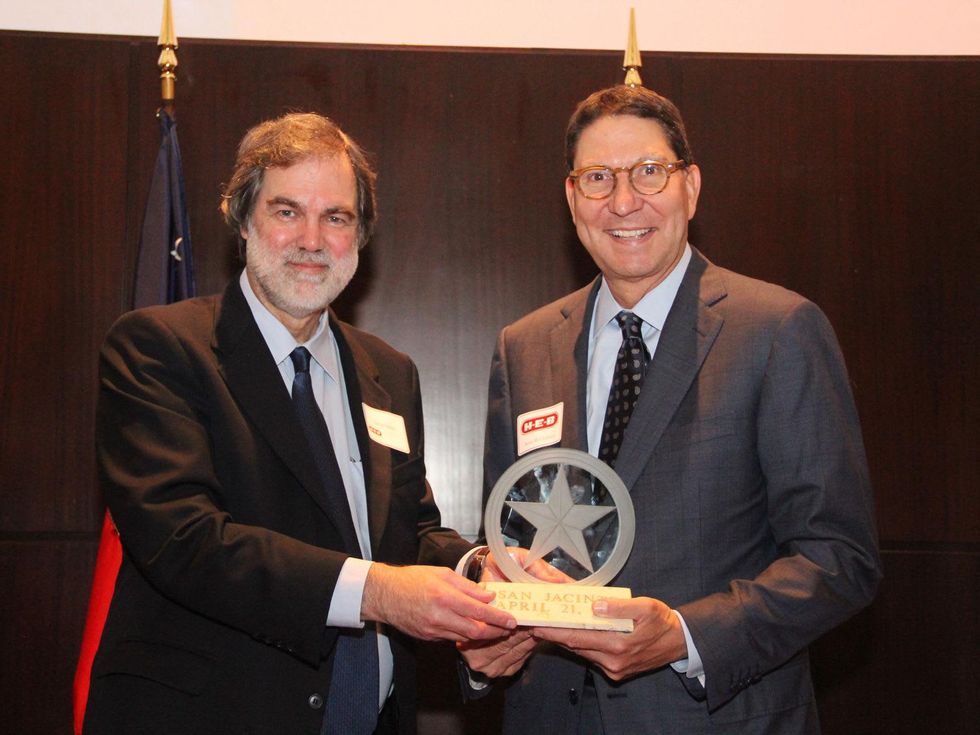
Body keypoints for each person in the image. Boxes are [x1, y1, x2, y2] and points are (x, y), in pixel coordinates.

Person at [460, 85, 882, 733]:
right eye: (598, 178)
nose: (624, 201)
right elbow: (507, 540)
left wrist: (685, 634)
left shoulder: (777, 330)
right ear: (573, 198)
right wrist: (488, 633)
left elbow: (838, 559)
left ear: (691, 186)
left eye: (649, 172)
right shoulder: (524, 346)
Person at [82, 112, 516, 735]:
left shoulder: (390, 374)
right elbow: (185, 540)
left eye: (336, 217)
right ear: (242, 217)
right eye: (287, 211)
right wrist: (379, 593)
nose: (312, 239)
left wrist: (480, 570)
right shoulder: (158, 348)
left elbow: (407, 536)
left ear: (360, 234)